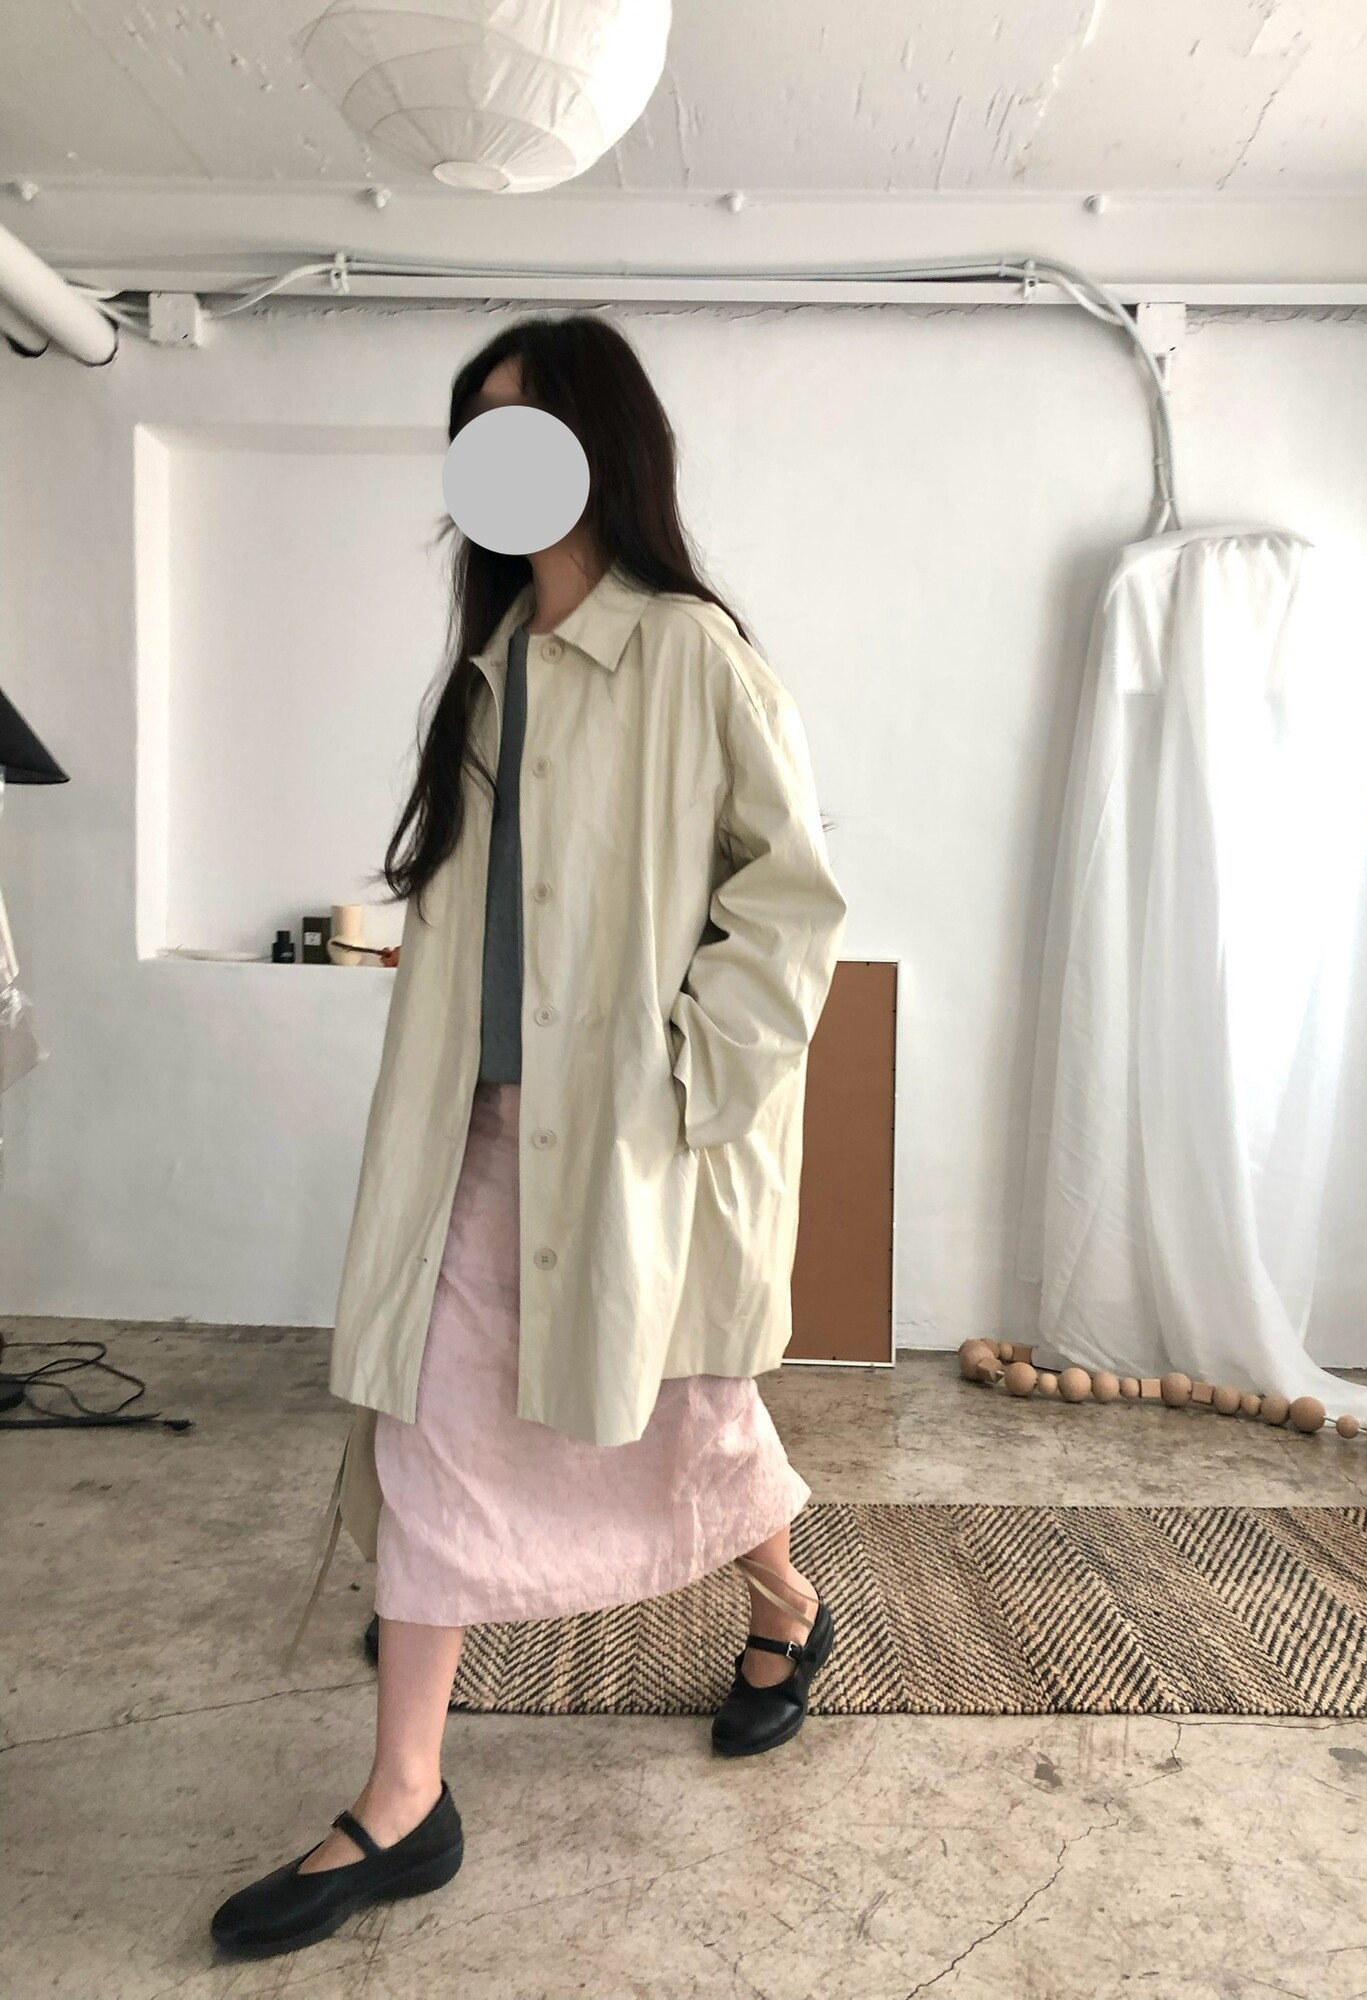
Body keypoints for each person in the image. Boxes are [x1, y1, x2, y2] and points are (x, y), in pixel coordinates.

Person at [211, 313, 849, 1960]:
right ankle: (404, 1795)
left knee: (684, 1412)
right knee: (430, 1421)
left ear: (599, 450)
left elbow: (791, 904)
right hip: (476, 1129)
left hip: (629, 1138)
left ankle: (786, 1606)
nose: (491, 464)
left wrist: (688, 1085)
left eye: (524, 429)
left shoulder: (693, 655)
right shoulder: (486, 674)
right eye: (473, 433)